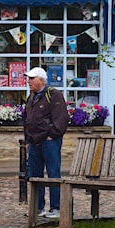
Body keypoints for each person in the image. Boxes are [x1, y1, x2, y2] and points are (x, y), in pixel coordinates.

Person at [23, 66, 70, 219]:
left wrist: (53, 135)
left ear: (41, 80)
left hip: (49, 141)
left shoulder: (53, 94)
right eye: (28, 78)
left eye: (32, 78)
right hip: (35, 141)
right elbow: (27, 120)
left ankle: (56, 207)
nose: (29, 81)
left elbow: (62, 118)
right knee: (35, 175)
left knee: (53, 174)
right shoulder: (31, 97)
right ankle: (38, 207)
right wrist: (28, 139)